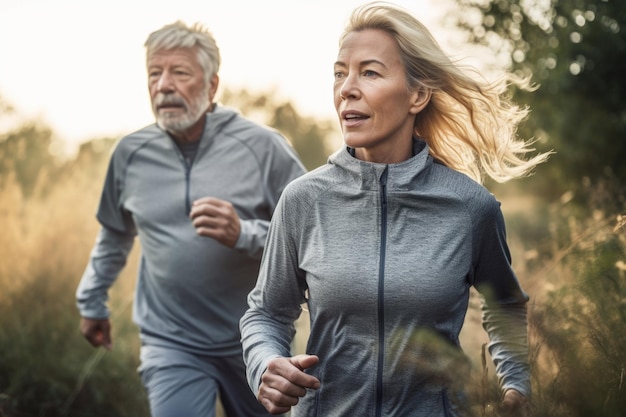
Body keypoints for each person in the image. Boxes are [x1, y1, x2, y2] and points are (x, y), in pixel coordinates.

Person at [240, 2, 551, 416]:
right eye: (340, 72)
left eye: (369, 72)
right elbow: (266, 313)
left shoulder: (470, 208)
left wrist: (516, 386)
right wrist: (265, 365)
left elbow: (505, 303)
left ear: (417, 95)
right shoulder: (303, 200)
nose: (346, 88)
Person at [75, 20, 306, 417]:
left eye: (179, 73)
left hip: (255, 342)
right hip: (171, 342)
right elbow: (115, 235)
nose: (164, 85)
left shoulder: (263, 148)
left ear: (213, 85)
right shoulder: (130, 154)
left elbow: (313, 236)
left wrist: (243, 233)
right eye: (154, 73)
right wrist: (92, 301)